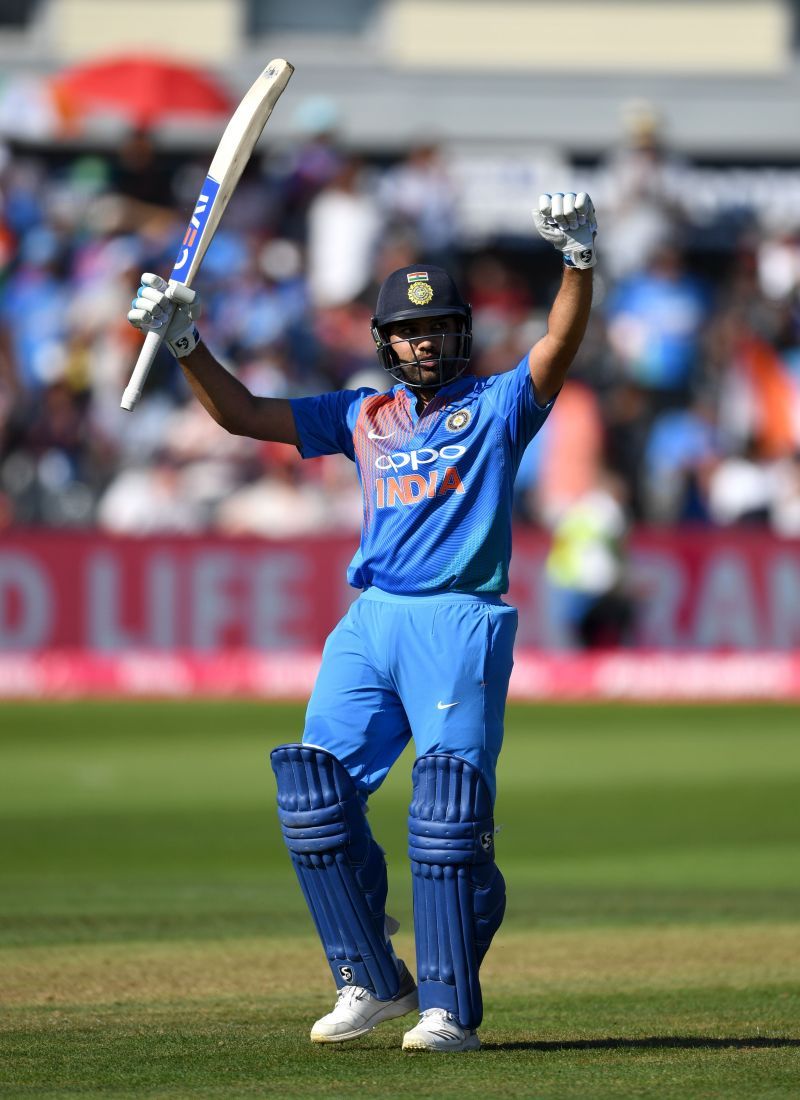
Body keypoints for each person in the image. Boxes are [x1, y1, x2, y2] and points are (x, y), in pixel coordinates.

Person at [127, 191, 597, 1053]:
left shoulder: (497, 406)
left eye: (440, 328)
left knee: (446, 813)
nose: (425, 342)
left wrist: (577, 260)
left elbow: (559, 346)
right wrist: (186, 344)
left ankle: (448, 1006)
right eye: (410, 332)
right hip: (371, 618)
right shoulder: (361, 414)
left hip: (459, 618)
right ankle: (370, 978)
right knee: (314, 797)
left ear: (460, 334)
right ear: (385, 342)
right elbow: (244, 414)